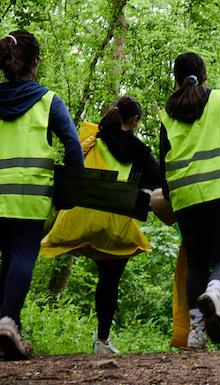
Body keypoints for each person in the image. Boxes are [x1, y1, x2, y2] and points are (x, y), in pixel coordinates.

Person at [41, 96, 161, 355]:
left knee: (104, 276)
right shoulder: (138, 150)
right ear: (135, 120)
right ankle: (102, 340)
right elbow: (157, 180)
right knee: (110, 279)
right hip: (115, 227)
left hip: (84, 218)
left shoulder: (94, 138)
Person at [0, 30, 84, 360]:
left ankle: (9, 327)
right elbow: (73, 146)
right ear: (35, 62)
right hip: (29, 194)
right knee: (21, 256)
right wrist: (71, 188)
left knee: (7, 262)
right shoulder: (48, 101)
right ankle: (7, 321)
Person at [159, 52, 220, 349]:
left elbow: (163, 162)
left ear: (176, 78)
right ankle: (214, 292)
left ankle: (196, 332)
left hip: (185, 196)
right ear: (205, 74)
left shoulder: (167, 113)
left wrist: (171, 196)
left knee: (196, 262)